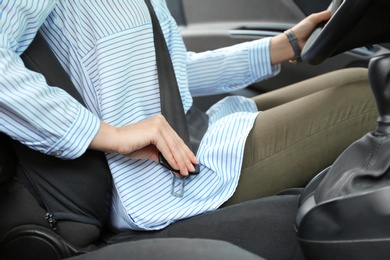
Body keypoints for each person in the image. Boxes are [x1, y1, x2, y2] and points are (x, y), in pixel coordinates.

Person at [0, 0, 377, 234]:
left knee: (358, 80)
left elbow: (174, 71)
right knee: (366, 96)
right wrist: (106, 134)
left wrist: (283, 46)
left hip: (194, 134)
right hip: (158, 179)